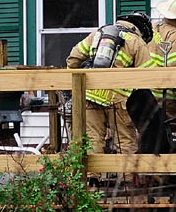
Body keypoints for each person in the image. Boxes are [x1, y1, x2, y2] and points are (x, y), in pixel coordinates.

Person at [66, 12, 155, 156]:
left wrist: (74, 86)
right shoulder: (136, 42)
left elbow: (73, 59)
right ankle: (126, 177)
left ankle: (91, 178)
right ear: (141, 29)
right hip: (119, 100)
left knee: (92, 139)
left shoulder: (97, 34)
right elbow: (148, 76)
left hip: (90, 95)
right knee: (124, 141)